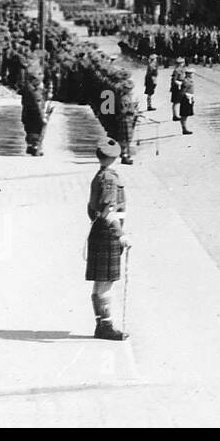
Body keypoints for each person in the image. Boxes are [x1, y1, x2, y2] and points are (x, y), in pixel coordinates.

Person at [86, 139, 131, 341]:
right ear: (114, 156)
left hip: (100, 230)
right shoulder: (110, 178)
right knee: (106, 283)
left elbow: (91, 209)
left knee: (100, 282)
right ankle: (106, 326)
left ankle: (101, 324)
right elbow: (108, 210)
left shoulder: (100, 175)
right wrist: (120, 235)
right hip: (108, 232)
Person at [178, 62, 196, 135]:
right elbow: (183, 91)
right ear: (189, 74)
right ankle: (184, 128)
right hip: (186, 98)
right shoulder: (186, 81)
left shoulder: (189, 80)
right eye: (192, 73)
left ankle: (184, 127)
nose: (193, 75)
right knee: (184, 114)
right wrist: (185, 98)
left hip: (189, 97)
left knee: (186, 114)